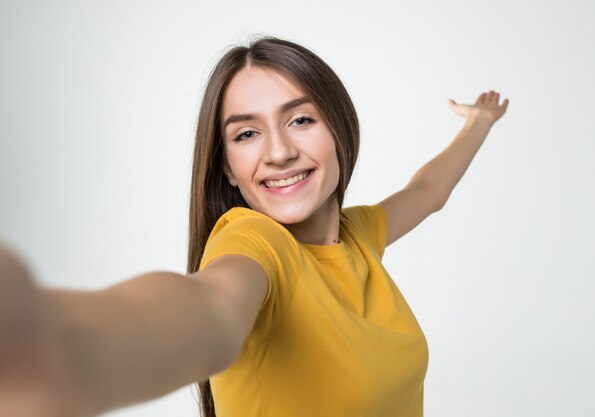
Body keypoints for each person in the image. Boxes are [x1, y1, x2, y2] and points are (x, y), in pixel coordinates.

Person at [0, 36, 508, 417]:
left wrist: (479, 122)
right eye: (246, 133)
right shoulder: (254, 243)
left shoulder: (360, 236)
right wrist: (52, 343)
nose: (280, 151)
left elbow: (429, 191)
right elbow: (209, 311)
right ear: (226, 166)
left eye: (301, 120)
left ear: (340, 129)